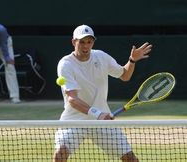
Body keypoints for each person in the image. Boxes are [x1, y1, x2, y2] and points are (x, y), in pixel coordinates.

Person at [53, 25, 152, 162]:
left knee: (130, 158)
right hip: (74, 120)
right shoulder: (65, 64)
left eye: (89, 41)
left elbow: (125, 75)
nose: (86, 45)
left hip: (102, 120)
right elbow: (72, 100)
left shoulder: (101, 57)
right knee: (60, 154)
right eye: (82, 41)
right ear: (73, 42)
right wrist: (97, 114)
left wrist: (132, 60)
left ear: (93, 42)